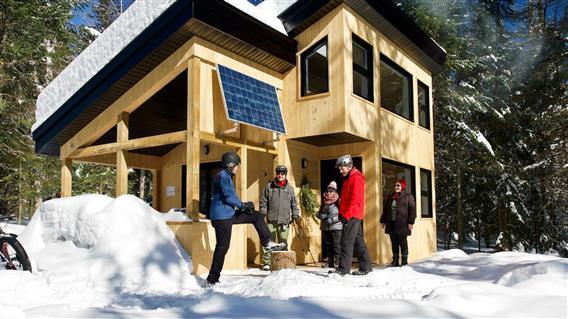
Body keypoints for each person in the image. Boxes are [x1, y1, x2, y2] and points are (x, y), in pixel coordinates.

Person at [206, 152, 286, 286]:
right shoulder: (222, 176)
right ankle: (212, 279)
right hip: (222, 218)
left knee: (257, 216)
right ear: (230, 165)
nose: (238, 168)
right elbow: (228, 197)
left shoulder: (226, 176)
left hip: (228, 214)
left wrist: (243, 207)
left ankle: (267, 243)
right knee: (222, 247)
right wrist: (242, 205)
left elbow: (231, 196)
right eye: (237, 165)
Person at [332, 154, 372, 276]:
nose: (340, 170)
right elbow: (345, 199)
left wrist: (347, 215)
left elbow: (356, 200)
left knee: (346, 241)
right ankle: (366, 267)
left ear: (348, 166)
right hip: (351, 214)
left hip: (353, 215)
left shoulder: (356, 178)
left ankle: (343, 269)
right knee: (358, 241)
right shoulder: (349, 178)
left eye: (341, 167)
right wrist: (341, 213)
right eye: (339, 168)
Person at [259, 165, 301, 271]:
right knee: (269, 241)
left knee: (283, 241)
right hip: (271, 219)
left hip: (284, 220)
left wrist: (295, 216)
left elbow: (294, 205)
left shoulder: (290, 189)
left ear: (285, 175)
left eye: (282, 173)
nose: (280, 175)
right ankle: (267, 262)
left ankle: (283, 261)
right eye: (278, 173)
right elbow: (263, 202)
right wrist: (263, 215)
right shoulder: (269, 187)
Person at [380, 178, 416, 267]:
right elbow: (385, 210)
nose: (396, 187)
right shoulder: (390, 197)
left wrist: (411, 222)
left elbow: (412, 210)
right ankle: (395, 261)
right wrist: (383, 220)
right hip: (391, 224)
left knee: (403, 242)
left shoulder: (408, 196)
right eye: (395, 185)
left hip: (402, 224)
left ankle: (404, 261)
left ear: (402, 186)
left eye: (398, 185)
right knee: (394, 243)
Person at [316, 181, 342, 268]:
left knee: (336, 244)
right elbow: (318, 213)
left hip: (336, 227)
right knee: (328, 245)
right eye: (327, 191)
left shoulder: (338, 201)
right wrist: (320, 215)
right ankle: (330, 262)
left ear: (335, 192)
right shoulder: (324, 201)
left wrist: (333, 219)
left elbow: (342, 214)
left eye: (331, 191)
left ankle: (337, 262)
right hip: (325, 227)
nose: (328, 193)